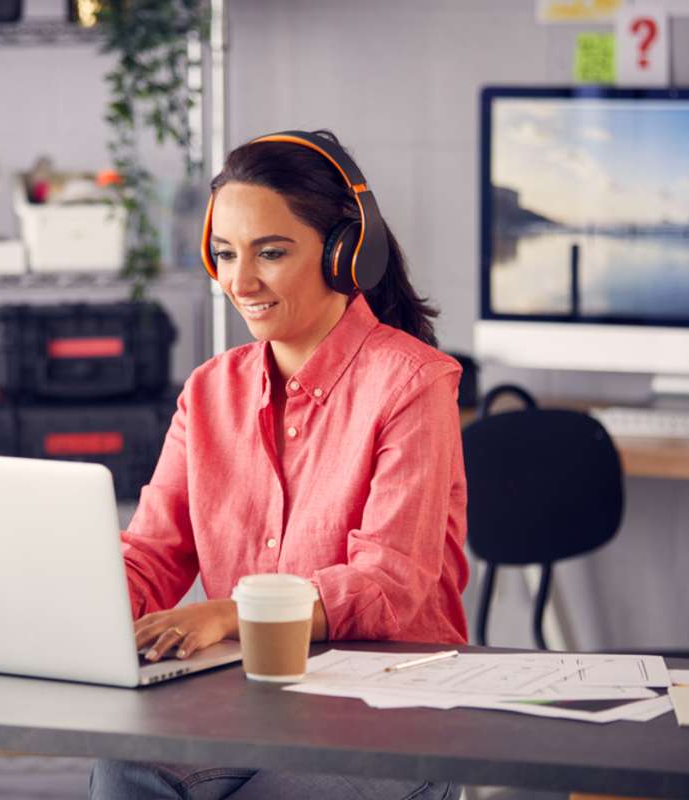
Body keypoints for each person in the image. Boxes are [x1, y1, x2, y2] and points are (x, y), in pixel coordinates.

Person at [89, 130, 467, 800]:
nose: (241, 281)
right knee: (128, 767)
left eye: (271, 253)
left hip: (388, 710)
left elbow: (389, 585)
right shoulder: (209, 390)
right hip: (251, 698)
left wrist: (233, 613)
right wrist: (72, 611)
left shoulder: (412, 383)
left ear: (345, 253)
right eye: (226, 255)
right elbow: (151, 553)